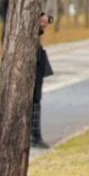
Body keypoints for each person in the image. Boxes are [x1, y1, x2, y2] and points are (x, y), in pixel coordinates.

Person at [32, 11, 53, 149]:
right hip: (24, 58)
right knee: (30, 98)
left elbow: (45, 18)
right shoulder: (10, 2)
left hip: (36, 56)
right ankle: (33, 135)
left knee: (36, 98)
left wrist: (45, 17)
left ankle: (35, 134)